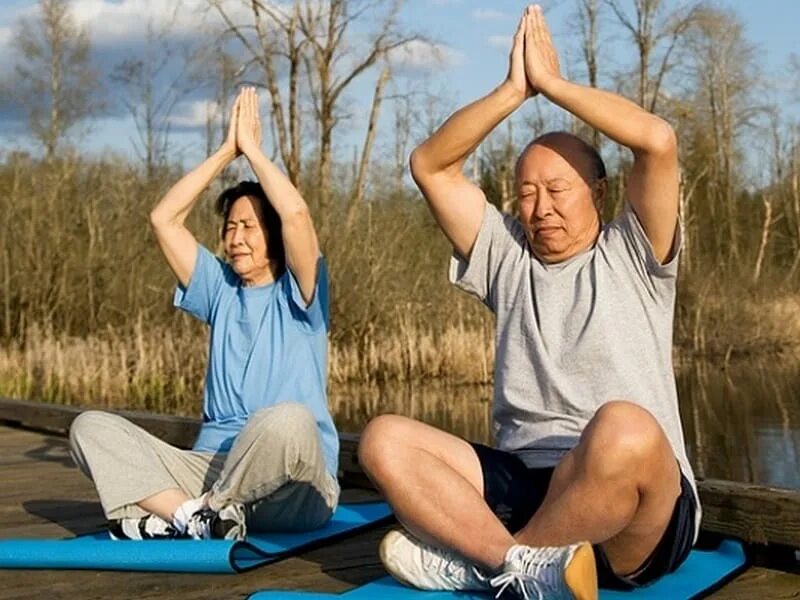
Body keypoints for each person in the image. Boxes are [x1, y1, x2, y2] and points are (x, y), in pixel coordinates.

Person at [358, 6, 698, 599]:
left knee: (625, 429)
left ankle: (487, 567)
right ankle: (515, 565)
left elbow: (657, 140)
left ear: (597, 193)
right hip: (523, 482)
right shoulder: (507, 258)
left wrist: (555, 87)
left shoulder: (635, 252)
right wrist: (513, 91)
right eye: (526, 193)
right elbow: (430, 166)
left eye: (558, 190)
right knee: (383, 438)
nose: (541, 207)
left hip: (630, 504)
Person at [69, 87, 339, 541]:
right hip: (210, 471)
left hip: (293, 486)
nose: (235, 238)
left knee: (288, 419)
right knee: (89, 428)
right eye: (230, 227)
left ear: (273, 236)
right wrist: (224, 152)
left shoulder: (304, 293)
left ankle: (191, 513)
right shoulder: (220, 289)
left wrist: (252, 151)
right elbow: (164, 219)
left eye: (249, 227)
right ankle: (196, 515)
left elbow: (295, 213)